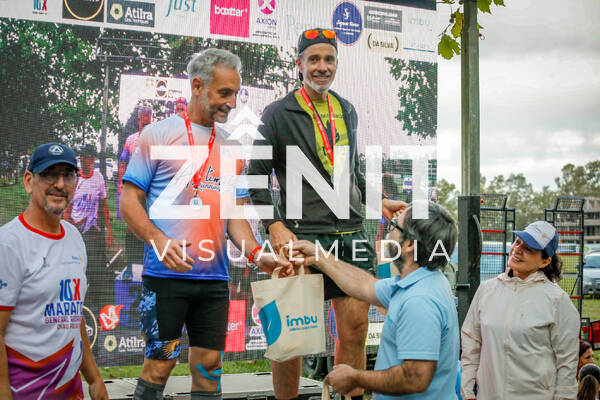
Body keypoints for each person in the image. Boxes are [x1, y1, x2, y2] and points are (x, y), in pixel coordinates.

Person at [120, 49, 292, 400]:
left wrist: (258, 256)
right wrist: (158, 240)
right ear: (197, 86)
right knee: (160, 363)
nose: (232, 103)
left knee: (209, 367)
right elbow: (128, 202)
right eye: (224, 93)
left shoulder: (232, 148)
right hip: (166, 280)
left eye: (236, 94)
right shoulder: (158, 135)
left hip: (213, 284)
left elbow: (235, 220)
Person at [247, 28, 405, 400]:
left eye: (329, 59)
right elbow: (254, 175)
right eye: (314, 59)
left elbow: (351, 172)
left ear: (336, 63)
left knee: (355, 330)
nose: (322, 66)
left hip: (350, 236)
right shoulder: (277, 113)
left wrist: (378, 202)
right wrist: (274, 224)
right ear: (299, 64)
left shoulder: (346, 109)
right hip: (301, 236)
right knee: (292, 336)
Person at [292, 202, 459, 399]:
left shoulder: (419, 302)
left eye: (394, 226)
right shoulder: (422, 282)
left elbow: (414, 378)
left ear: (410, 245)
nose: (389, 231)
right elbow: (364, 285)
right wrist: (320, 257)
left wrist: (355, 377)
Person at [0, 142, 108, 399]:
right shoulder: (9, 244)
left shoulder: (74, 238)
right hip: (24, 392)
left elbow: (75, 316)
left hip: (70, 390)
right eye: (49, 174)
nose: (60, 184)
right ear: (29, 181)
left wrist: (94, 379)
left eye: (68, 175)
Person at [461, 220, 580, 400]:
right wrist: (468, 390)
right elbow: (471, 343)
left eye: (529, 249)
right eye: (517, 242)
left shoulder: (557, 300)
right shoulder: (487, 290)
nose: (517, 250)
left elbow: (567, 362)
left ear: (545, 261)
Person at [64, 145, 113, 314]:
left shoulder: (98, 177)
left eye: (92, 158)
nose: (89, 162)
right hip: (77, 230)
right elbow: (68, 208)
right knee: (77, 268)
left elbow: (104, 204)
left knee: (96, 268)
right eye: (86, 158)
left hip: (94, 231)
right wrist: (67, 229)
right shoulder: (75, 179)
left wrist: (109, 231)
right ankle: (78, 305)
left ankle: (96, 306)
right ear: (81, 159)